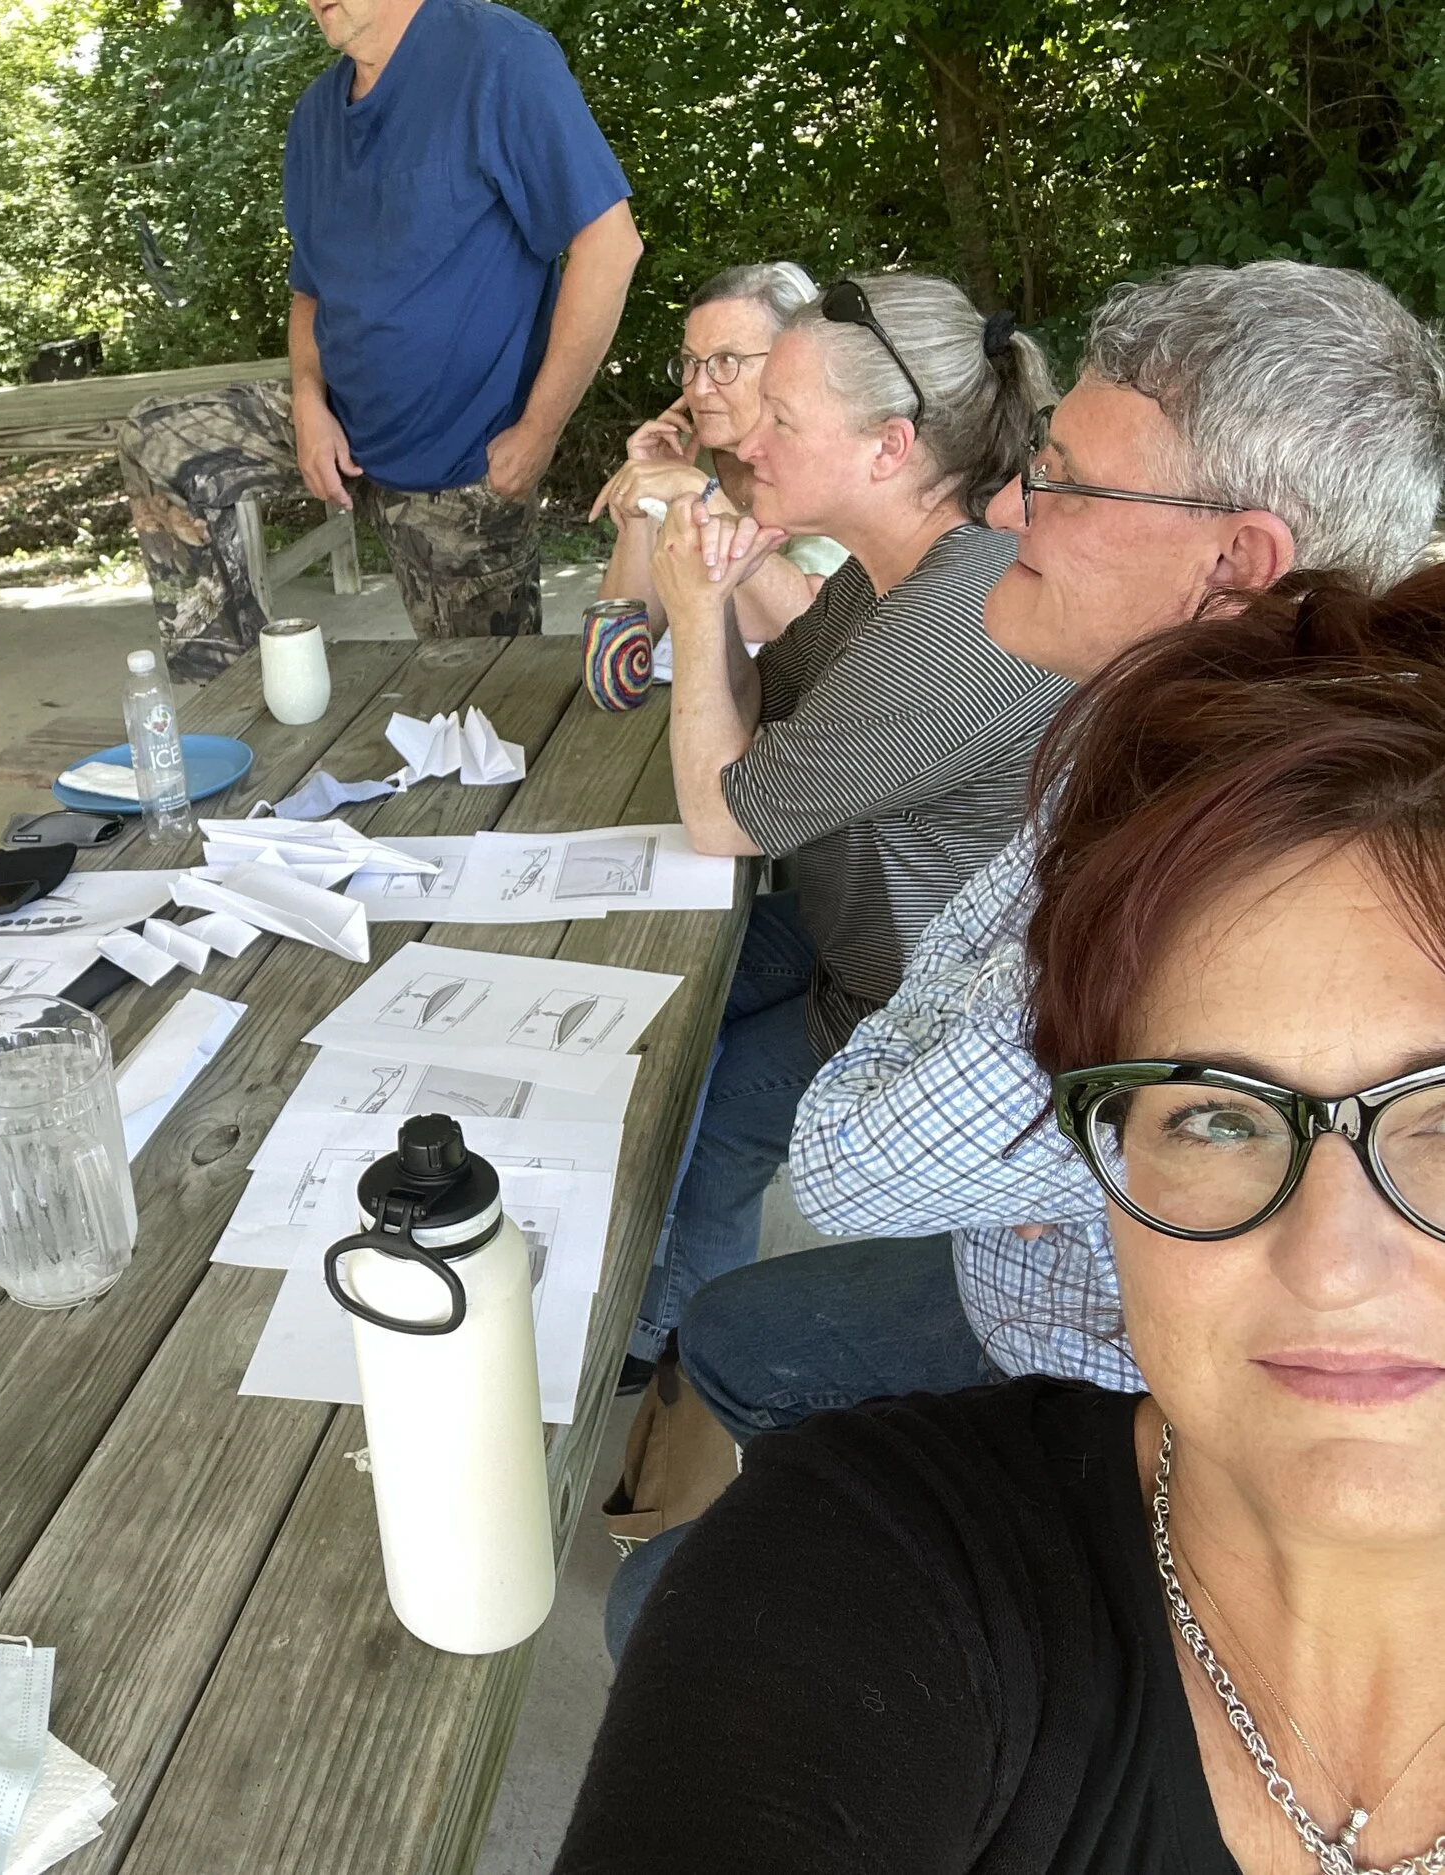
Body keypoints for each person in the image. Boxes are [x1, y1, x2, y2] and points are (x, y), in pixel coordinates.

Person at [600, 260, 1445, 1662]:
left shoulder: (1240, 862)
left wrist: (943, 1031)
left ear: (1232, 562)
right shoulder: (1140, 720)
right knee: (745, 1330)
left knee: (659, 1608)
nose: (1007, 508)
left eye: (1060, 479)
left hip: (1128, 1387)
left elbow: (858, 1147)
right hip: (1029, 1263)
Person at [556, 568, 1445, 1874]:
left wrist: (694, 598)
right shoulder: (868, 1568)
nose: (1328, 1260)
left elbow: (847, 1125)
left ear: (1233, 550)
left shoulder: (980, 664)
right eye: (1209, 1114)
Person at [629, 272, 1070, 1375]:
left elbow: (727, 813)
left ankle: (669, 1343)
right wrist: (721, 601)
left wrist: (693, 608)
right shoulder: (898, 571)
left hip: (917, 993)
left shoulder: (952, 625)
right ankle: (654, 1292)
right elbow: (764, 709)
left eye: (781, 419)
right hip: (855, 932)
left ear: (888, 448)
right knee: (662, 992)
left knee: (717, 1099)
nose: (751, 445)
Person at [118, 0, 643, 680]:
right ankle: (233, 703)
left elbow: (609, 246)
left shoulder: (498, 57)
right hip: (341, 425)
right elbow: (310, 292)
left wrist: (539, 430)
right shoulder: (314, 116)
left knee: (482, 720)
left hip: (460, 466)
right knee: (159, 439)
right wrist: (308, 401)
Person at [589, 261, 845, 656]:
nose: (700, 387)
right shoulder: (688, 456)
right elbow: (624, 641)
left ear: (792, 362)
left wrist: (701, 494)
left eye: (727, 361)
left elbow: (812, 626)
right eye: (690, 363)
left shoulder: (831, 458)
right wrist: (647, 506)